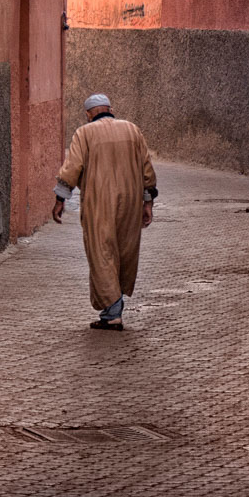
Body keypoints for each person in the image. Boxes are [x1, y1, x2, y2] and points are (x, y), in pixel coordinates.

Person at [52, 94, 157, 331]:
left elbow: (72, 168)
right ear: (110, 108)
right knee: (125, 250)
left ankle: (112, 313)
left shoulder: (84, 133)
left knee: (102, 252)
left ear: (89, 114)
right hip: (130, 202)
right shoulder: (132, 130)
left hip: (99, 202)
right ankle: (115, 305)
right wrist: (147, 202)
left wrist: (60, 199)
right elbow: (147, 169)